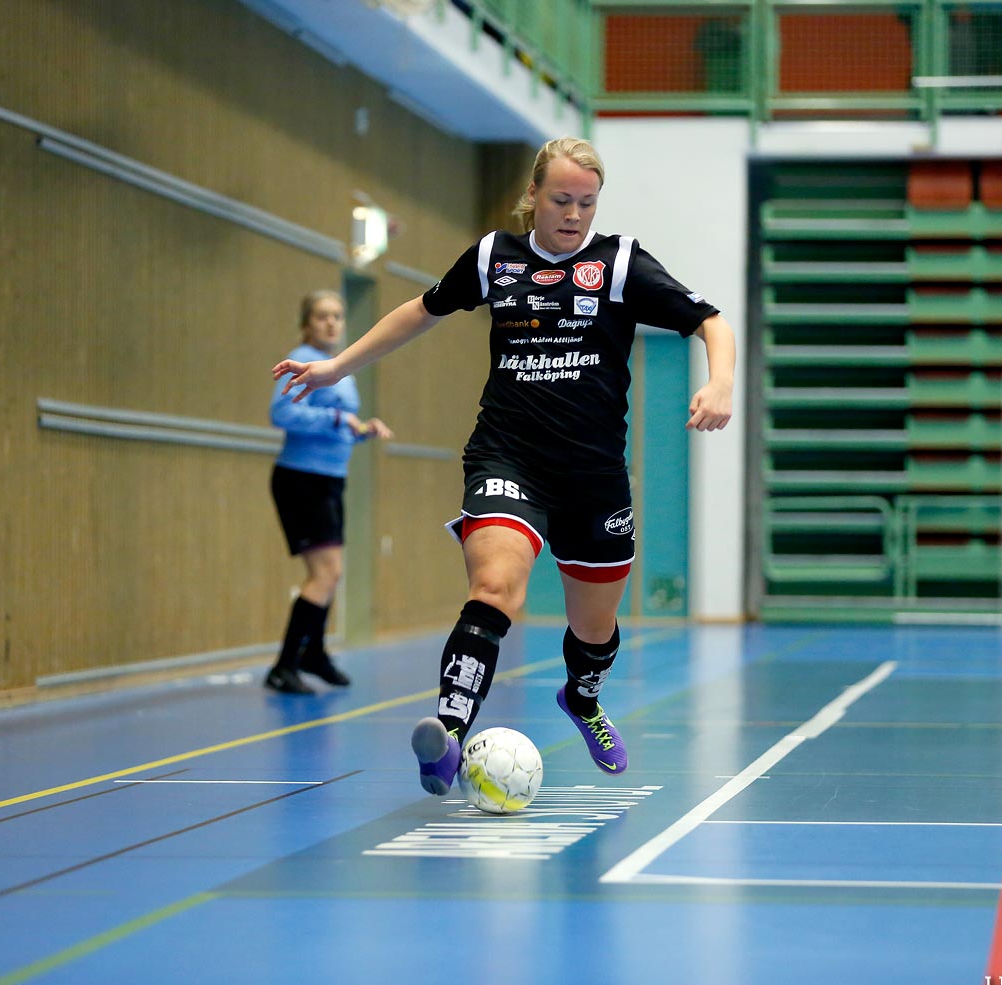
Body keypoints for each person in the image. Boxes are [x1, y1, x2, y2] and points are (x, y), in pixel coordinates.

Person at [272, 137, 735, 793]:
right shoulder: (496, 257)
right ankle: (449, 735)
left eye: (587, 203)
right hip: (506, 454)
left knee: (595, 630)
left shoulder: (622, 261)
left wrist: (720, 384)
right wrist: (337, 366)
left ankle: (582, 697)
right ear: (533, 198)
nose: (574, 214)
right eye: (562, 200)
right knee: (495, 590)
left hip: (594, 472)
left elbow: (711, 321)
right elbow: (419, 311)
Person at [264, 289, 393, 695]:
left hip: (330, 478)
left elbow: (337, 427)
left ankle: (314, 654)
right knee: (325, 573)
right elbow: (282, 412)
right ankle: (285, 665)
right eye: (322, 316)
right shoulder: (300, 359)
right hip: (301, 478)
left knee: (330, 573)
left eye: (337, 315)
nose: (332, 323)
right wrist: (339, 417)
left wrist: (360, 430)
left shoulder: (340, 369)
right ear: (307, 324)